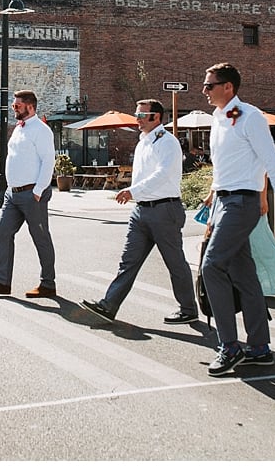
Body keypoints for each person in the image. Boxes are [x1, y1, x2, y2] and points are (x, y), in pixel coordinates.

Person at [197, 62, 275, 376]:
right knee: (243, 274)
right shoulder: (218, 119)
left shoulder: (250, 118)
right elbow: (223, 169)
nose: (204, 89)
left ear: (229, 87)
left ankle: (229, 346)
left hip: (243, 202)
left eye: (210, 84)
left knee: (211, 267)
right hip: (227, 201)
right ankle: (259, 347)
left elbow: (274, 164)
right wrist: (213, 206)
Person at [81, 99, 198, 325]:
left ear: (156, 117)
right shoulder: (142, 141)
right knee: (128, 261)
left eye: (142, 115)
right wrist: (135, 194)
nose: (137, 118)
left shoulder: (168, 142)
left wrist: (132, 190)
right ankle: (109, 305)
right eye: (137, 114)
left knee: (175, 263)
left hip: (164, 209)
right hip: (141, 211)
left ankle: (188, 308)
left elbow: (162, 175)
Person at [0, 90, 58, 298]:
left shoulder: (41, 130)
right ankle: (3, 282)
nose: (14, 108)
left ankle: (48, 284)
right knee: (3, 232)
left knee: (40, 238)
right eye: (13, 105)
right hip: (12, 194)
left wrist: (39, 191)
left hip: (32, 194)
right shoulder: (19, 129)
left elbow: (48, 161)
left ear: (30, 106)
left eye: (17, 106)